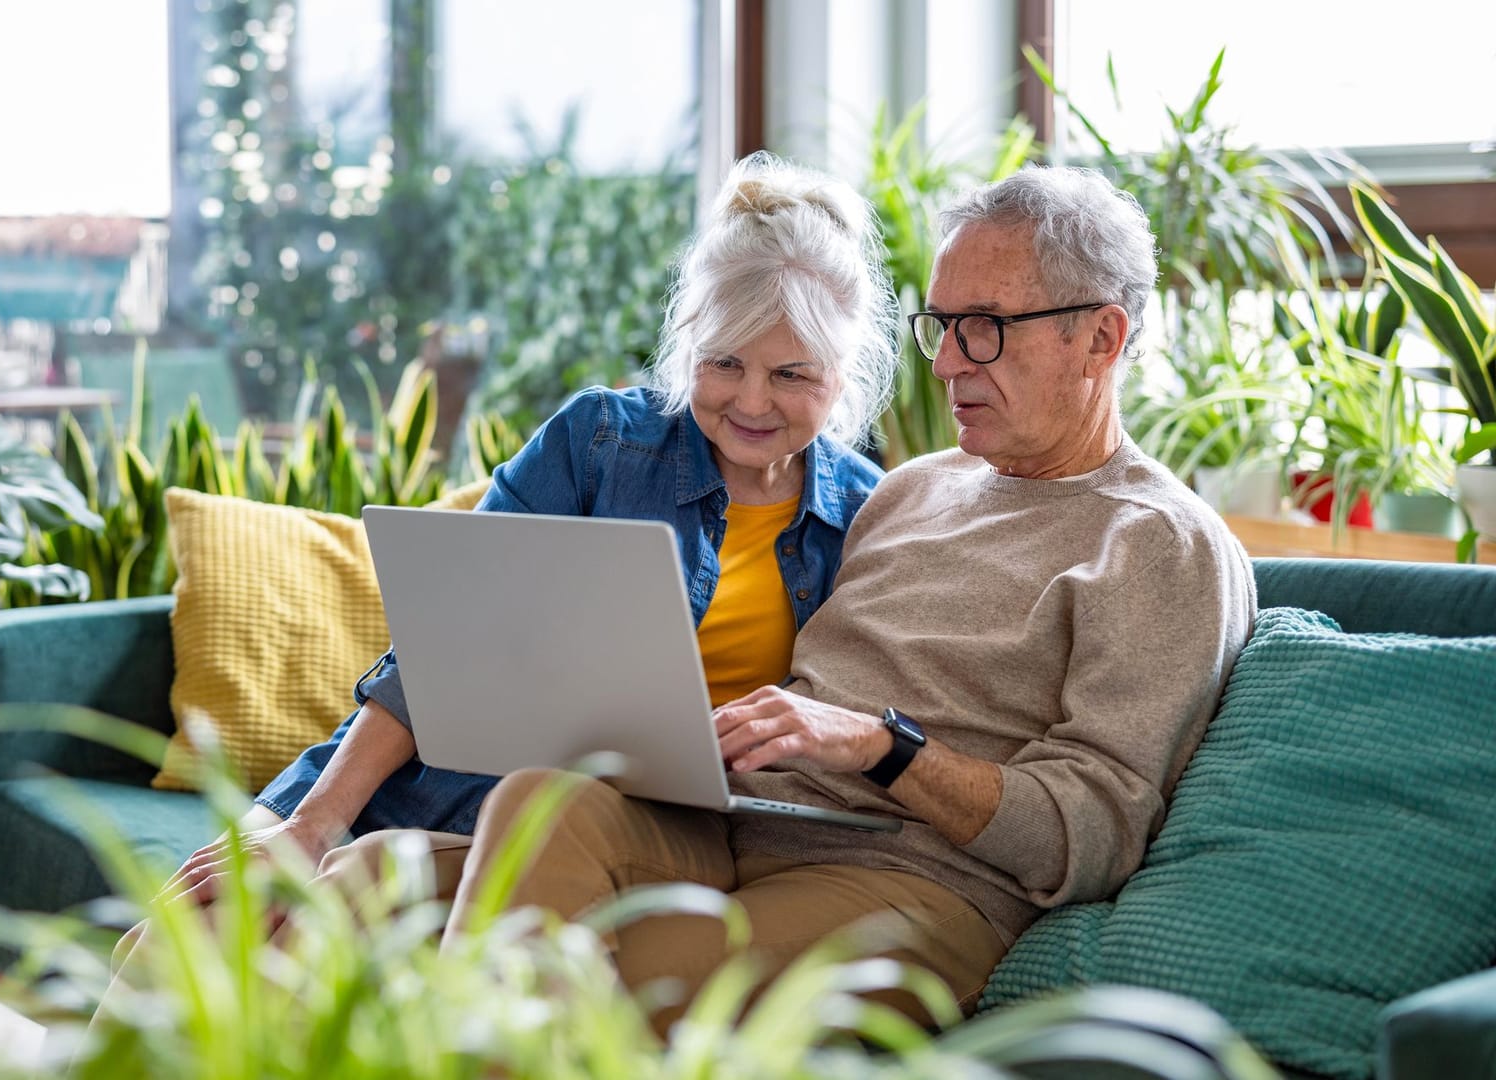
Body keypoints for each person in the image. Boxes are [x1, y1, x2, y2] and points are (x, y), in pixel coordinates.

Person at [440, 165, 1259, 1030]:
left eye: (983, 329)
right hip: (737, 829)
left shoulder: (1159, 542)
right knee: (487, 825)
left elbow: (1092, 838)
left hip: (922, 884)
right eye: (940, 326)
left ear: (1101, 338)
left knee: (569, 976)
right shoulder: (910, 491)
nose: (945, 363)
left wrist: (882, 748)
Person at [152, 151, 902, 911]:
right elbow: (444, 643)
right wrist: (313, 822)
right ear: (688, 347)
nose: (750, 400)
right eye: (724, 362)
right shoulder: (601, 441)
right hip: (448, 783)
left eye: (791, 374)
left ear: (843, 374)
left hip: (632, 833)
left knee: (322, 914)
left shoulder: (870, 520)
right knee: (179, 932)